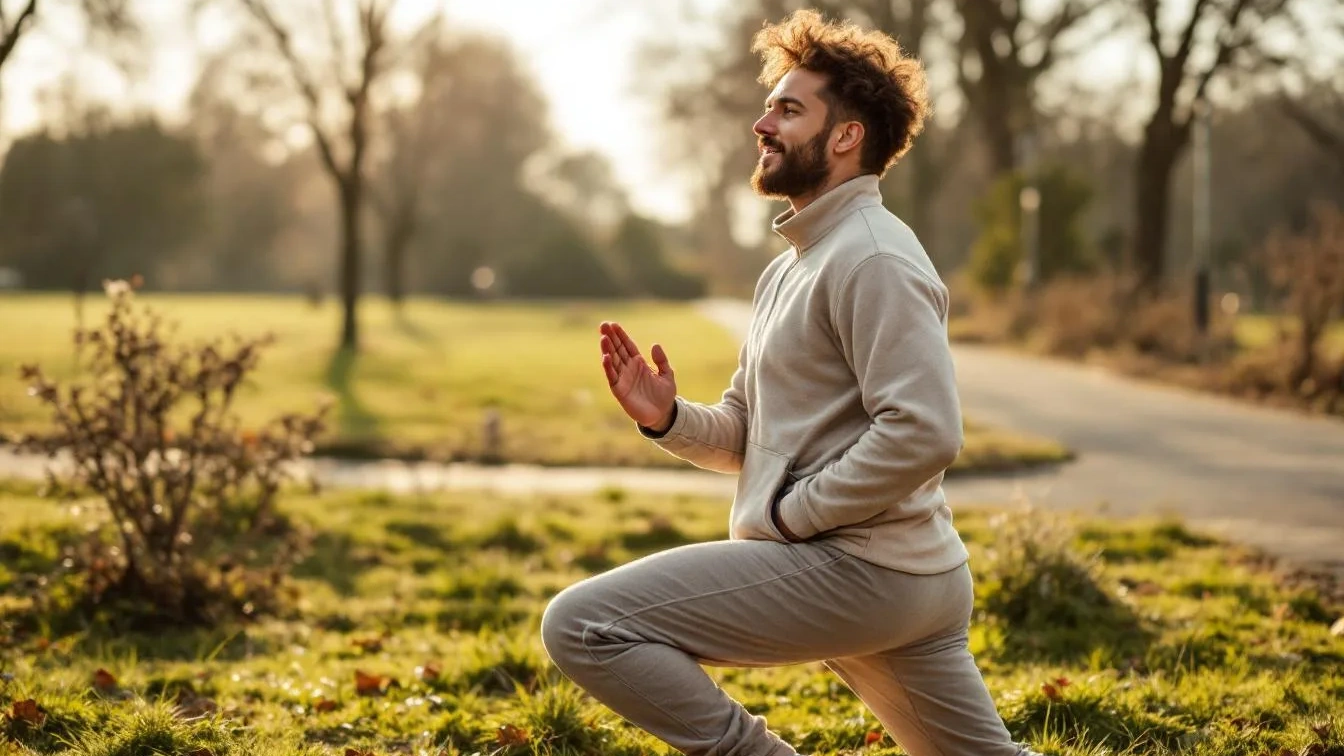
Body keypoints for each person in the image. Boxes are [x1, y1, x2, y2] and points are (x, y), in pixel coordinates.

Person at [540, 9, 1040, 756]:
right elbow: (749, 429)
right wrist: (669, 417)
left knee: (584, 624)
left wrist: (793, 515)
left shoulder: (873, 258)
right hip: (902, 573)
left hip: (865, 570)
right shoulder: (795, 263)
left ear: (846, 137)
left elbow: (925, 429)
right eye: (770, 104)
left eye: (788, 108)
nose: (761, 123)